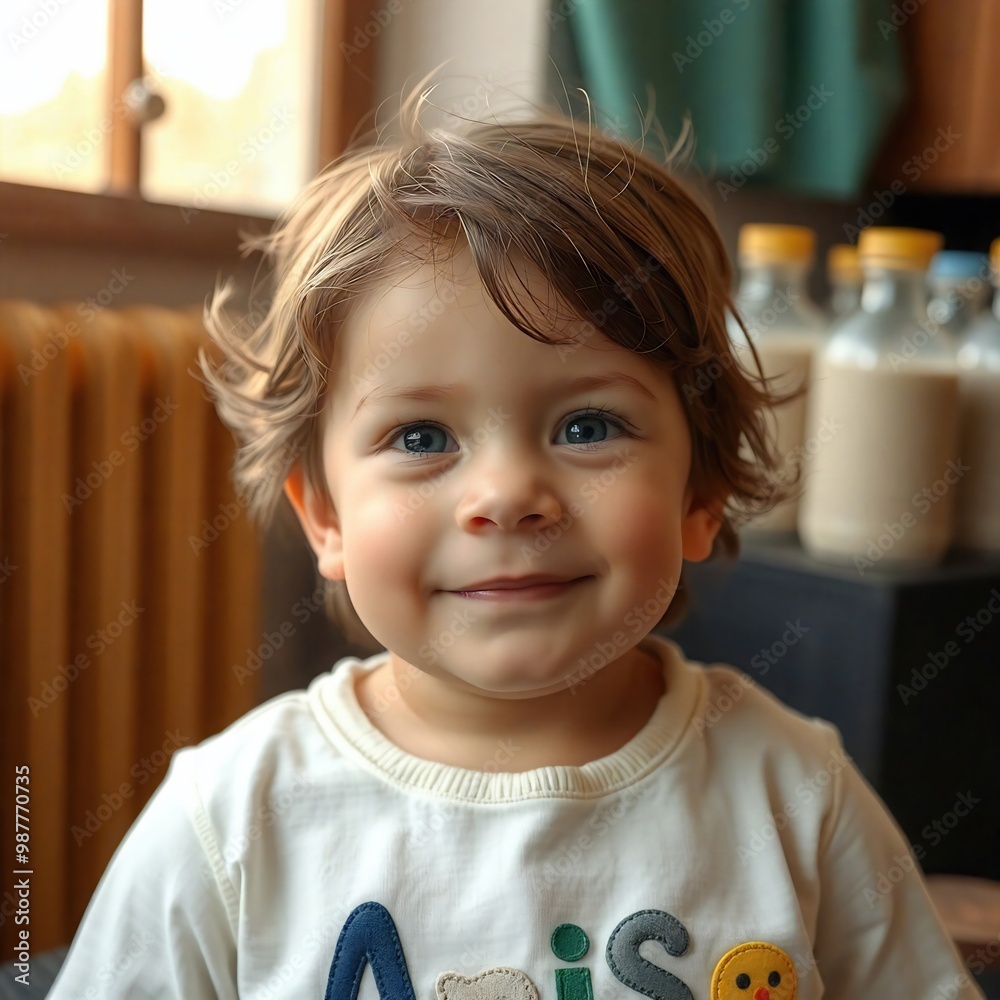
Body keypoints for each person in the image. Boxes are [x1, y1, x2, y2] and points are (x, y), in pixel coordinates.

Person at [47, 81, 984, 1000]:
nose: (506, 497)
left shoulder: (795, 796)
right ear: (324, 517)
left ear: (701, 492)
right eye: (421, 439)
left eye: (588, 427)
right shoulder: (231, 819)